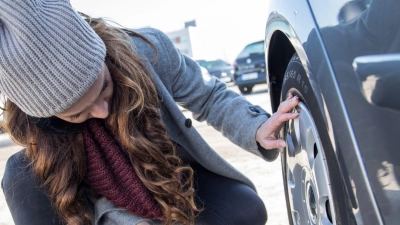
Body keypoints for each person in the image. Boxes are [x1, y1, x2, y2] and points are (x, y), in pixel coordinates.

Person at [0, 0, 299, 225]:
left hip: (166, 170)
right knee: (18, 174)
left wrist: (256, 127)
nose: (103, 111)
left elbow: (208, 96)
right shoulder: (38, 144)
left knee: (246, 209)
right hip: (98, 206)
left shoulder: (149, 50)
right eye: (77, 114)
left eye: (104, 87)